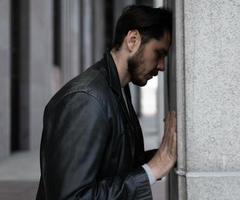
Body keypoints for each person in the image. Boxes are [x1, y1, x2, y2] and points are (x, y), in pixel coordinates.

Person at [36, 5, 176, 200]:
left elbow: (115, 164)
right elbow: (71, 196)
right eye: (158, 53)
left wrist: (167, 154)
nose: (161, 66)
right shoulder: (86, 100)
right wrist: (152, 170)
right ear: (133, 40)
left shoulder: (117, 90)